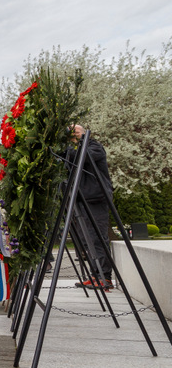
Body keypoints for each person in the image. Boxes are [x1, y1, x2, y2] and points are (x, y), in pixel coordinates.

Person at [69, 124, 115, 291]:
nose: (73, 134)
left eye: (76, 131)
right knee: (86, 240)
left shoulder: (94, 147)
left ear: (85, 133)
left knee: (97, 238)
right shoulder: (74, 150)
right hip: (81, 199)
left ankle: (105, 277)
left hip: (96, 198)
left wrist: (68, 147)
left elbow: (83, 157)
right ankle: (95, 275)